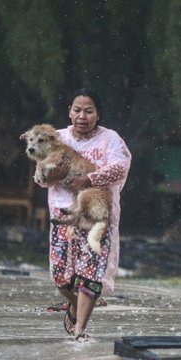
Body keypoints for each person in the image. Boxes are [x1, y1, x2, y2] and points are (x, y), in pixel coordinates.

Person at [45, 88, 131, 341]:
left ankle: (80, 329)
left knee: (90, 274)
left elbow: (120, 166)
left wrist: (89, 178)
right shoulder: (57, 138)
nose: (82, 116)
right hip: (63, 213)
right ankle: (73, 305)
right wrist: (52, 173)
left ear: (98, 114)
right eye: (77, 110)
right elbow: (41, 176)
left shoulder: (110, 139)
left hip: (97, 214)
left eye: (89, 111)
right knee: (60, 275)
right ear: (69, 112)